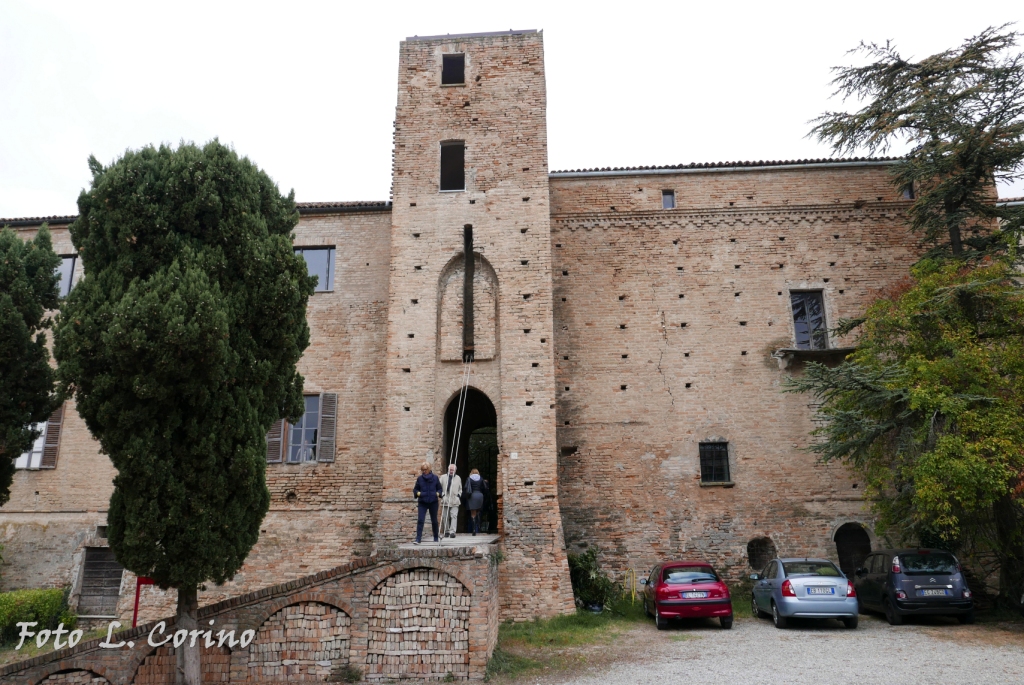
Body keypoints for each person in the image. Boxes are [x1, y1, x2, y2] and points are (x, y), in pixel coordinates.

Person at [413, 462, 443, 544]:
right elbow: (415, 490)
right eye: (422, 470)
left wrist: (437, 494)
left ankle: (436, 537)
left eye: (425, 470)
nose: (424, 471)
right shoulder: (420, 479)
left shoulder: (435, 478)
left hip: (433, 502)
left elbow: (440, 489)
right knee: (420, 520)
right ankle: (418, 539)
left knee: (434, 520)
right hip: (422, 502)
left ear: (429, 469)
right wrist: (419, 494)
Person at [438, 463, 462, 538]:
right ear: (448, 470)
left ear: (455, 470)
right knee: (445, 516)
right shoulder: (443, 477)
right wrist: (443, 495)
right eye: (450, 469)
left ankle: (452, 532)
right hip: (446, 499)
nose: (451, 471)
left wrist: (458, 496)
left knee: (454, 516)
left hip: (455, 499)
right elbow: (439, 488)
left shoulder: (458, 478)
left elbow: (460, 489)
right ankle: (446, 530)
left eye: (453, 470)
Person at [464, 468, 490, 536]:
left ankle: (474, 530)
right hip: (480, 495)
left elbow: (466, 487)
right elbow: (485, 488)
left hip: (472, 496)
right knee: (478, 512)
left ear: (471, 472)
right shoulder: (481, 478)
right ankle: (478, 527)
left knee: (473, 514)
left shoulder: (469, 478)